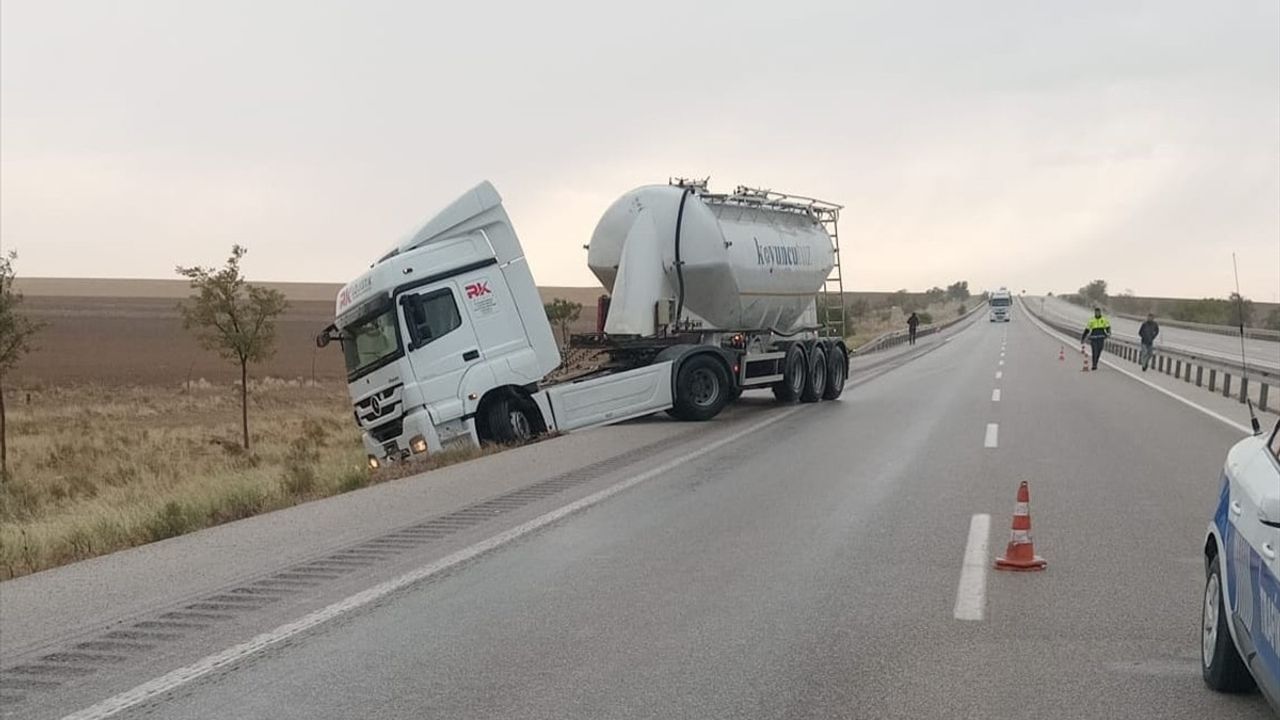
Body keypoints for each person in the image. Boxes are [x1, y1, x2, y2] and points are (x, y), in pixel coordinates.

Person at [1080, 307, 1112, 371]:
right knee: (1095, 351)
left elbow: (1108, 327)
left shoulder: (1104, 319)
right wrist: (1083, 338)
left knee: (1099, 351)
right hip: (1093, 338)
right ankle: (1094, 365)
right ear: (1095, 313)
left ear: (1100, 313)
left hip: (1101, 338)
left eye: (1098, 312)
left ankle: (1096, 362)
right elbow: (1087, 329)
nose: (1097, 313)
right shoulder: (1092, 320)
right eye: (1096, 312)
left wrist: (1108, 333)